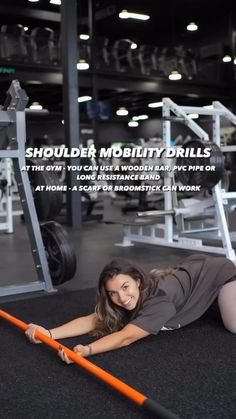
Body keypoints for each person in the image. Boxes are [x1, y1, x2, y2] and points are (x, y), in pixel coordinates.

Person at [25, 254, 236, 362]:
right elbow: (93, 319)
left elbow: (127, 336)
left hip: (219, 273)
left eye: (125, 287)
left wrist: (87, 350)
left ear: (137, 280)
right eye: (113, 293)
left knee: (233, 325)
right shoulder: (124, 296)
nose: (122, 298)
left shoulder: (160, 302)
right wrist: (49, 333)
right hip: (192, 272)